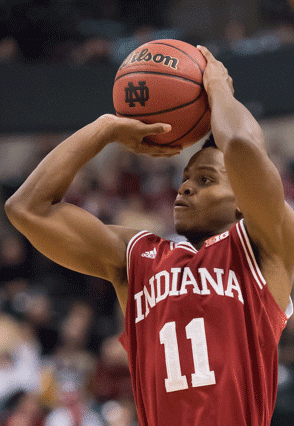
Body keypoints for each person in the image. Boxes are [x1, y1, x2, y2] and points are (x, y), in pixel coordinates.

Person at [4, 45, 294, 426]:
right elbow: (26, 208)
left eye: (205, 179)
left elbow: (241, 146)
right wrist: (103, 129)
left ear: (242, 200)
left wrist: (219, 87)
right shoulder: (140, 257)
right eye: (186, 177)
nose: (185, 188)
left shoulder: (264, 249)